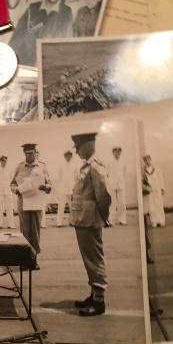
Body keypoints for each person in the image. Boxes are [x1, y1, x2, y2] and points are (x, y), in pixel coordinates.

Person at [70, 132, 111, 317]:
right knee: (89, 259)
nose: (76, 151)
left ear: (88, 145)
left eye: (78, 147)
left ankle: (99, 301)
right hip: (83, 220)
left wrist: (102, 217)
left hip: (90, 220)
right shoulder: (86, 166)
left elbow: (103, 197)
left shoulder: (95, 167)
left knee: (94, 259)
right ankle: (94, 294)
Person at [10, 0, 72, 65]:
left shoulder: (66, 12)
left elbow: (67, 37)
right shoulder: (33, 7)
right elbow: (18, 31)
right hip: (25, 58)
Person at [11, 144, 52, 269]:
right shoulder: (19, 167)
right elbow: (12, 184)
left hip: (36, 202)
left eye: (31, 153)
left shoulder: (42, 167)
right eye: (27, 153)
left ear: (36, 152)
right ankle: (25, 259)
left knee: (35, 232)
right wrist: (16, 190)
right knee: (25, 232)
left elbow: (49, 183)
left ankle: (34, 259)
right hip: (23, 203)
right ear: (24, 153)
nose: (29, 155)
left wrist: (46, 187)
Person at [142, 155, 165, 227]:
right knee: (151, 206)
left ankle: (161, 220)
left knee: (159, 204)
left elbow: (161, 178)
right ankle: (154, 221)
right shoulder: (144, 170)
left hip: (157, 188)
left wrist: (162, 188)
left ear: (150, 159)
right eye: (145, 160)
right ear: (144, 161)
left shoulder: (156, 168)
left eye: (148, 159)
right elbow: (143, 181)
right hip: (150, 190)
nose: (147, 161)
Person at [0, 156, 16, 229]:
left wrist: (12, 188)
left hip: (8, 191)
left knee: (9, 208)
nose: (4, 162)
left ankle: (11, 224)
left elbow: (12, 180)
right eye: (3, 161)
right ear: (0, 161)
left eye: (5, 161)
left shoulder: (9, 169)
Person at [107, 147, 127, 225]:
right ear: (113, 153)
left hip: (121, 185)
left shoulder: (123, 162)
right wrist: (109, 183)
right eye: (115, 152)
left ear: (120, 153)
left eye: (119, 152)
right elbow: (107, 174)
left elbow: (124, 174)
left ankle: (122, 219)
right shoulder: (109, 162)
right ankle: (111, 219)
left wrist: (122, 182)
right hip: (112, 185)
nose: (117, 153)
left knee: (122, 203)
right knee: (112, 203)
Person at [56, 150, 76, 227]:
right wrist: (59, 189)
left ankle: (72, 221)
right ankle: (59, 222)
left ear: (71, 156)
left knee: (72, 206)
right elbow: (59, 178)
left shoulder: (74, 165)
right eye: (67, 156)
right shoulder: (61, 165)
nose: (68, 157)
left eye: (69, 156)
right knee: (61, 206)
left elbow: (76, 177)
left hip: (72, 188)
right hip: (63, 188)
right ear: (64, 157)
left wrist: (75, 187)